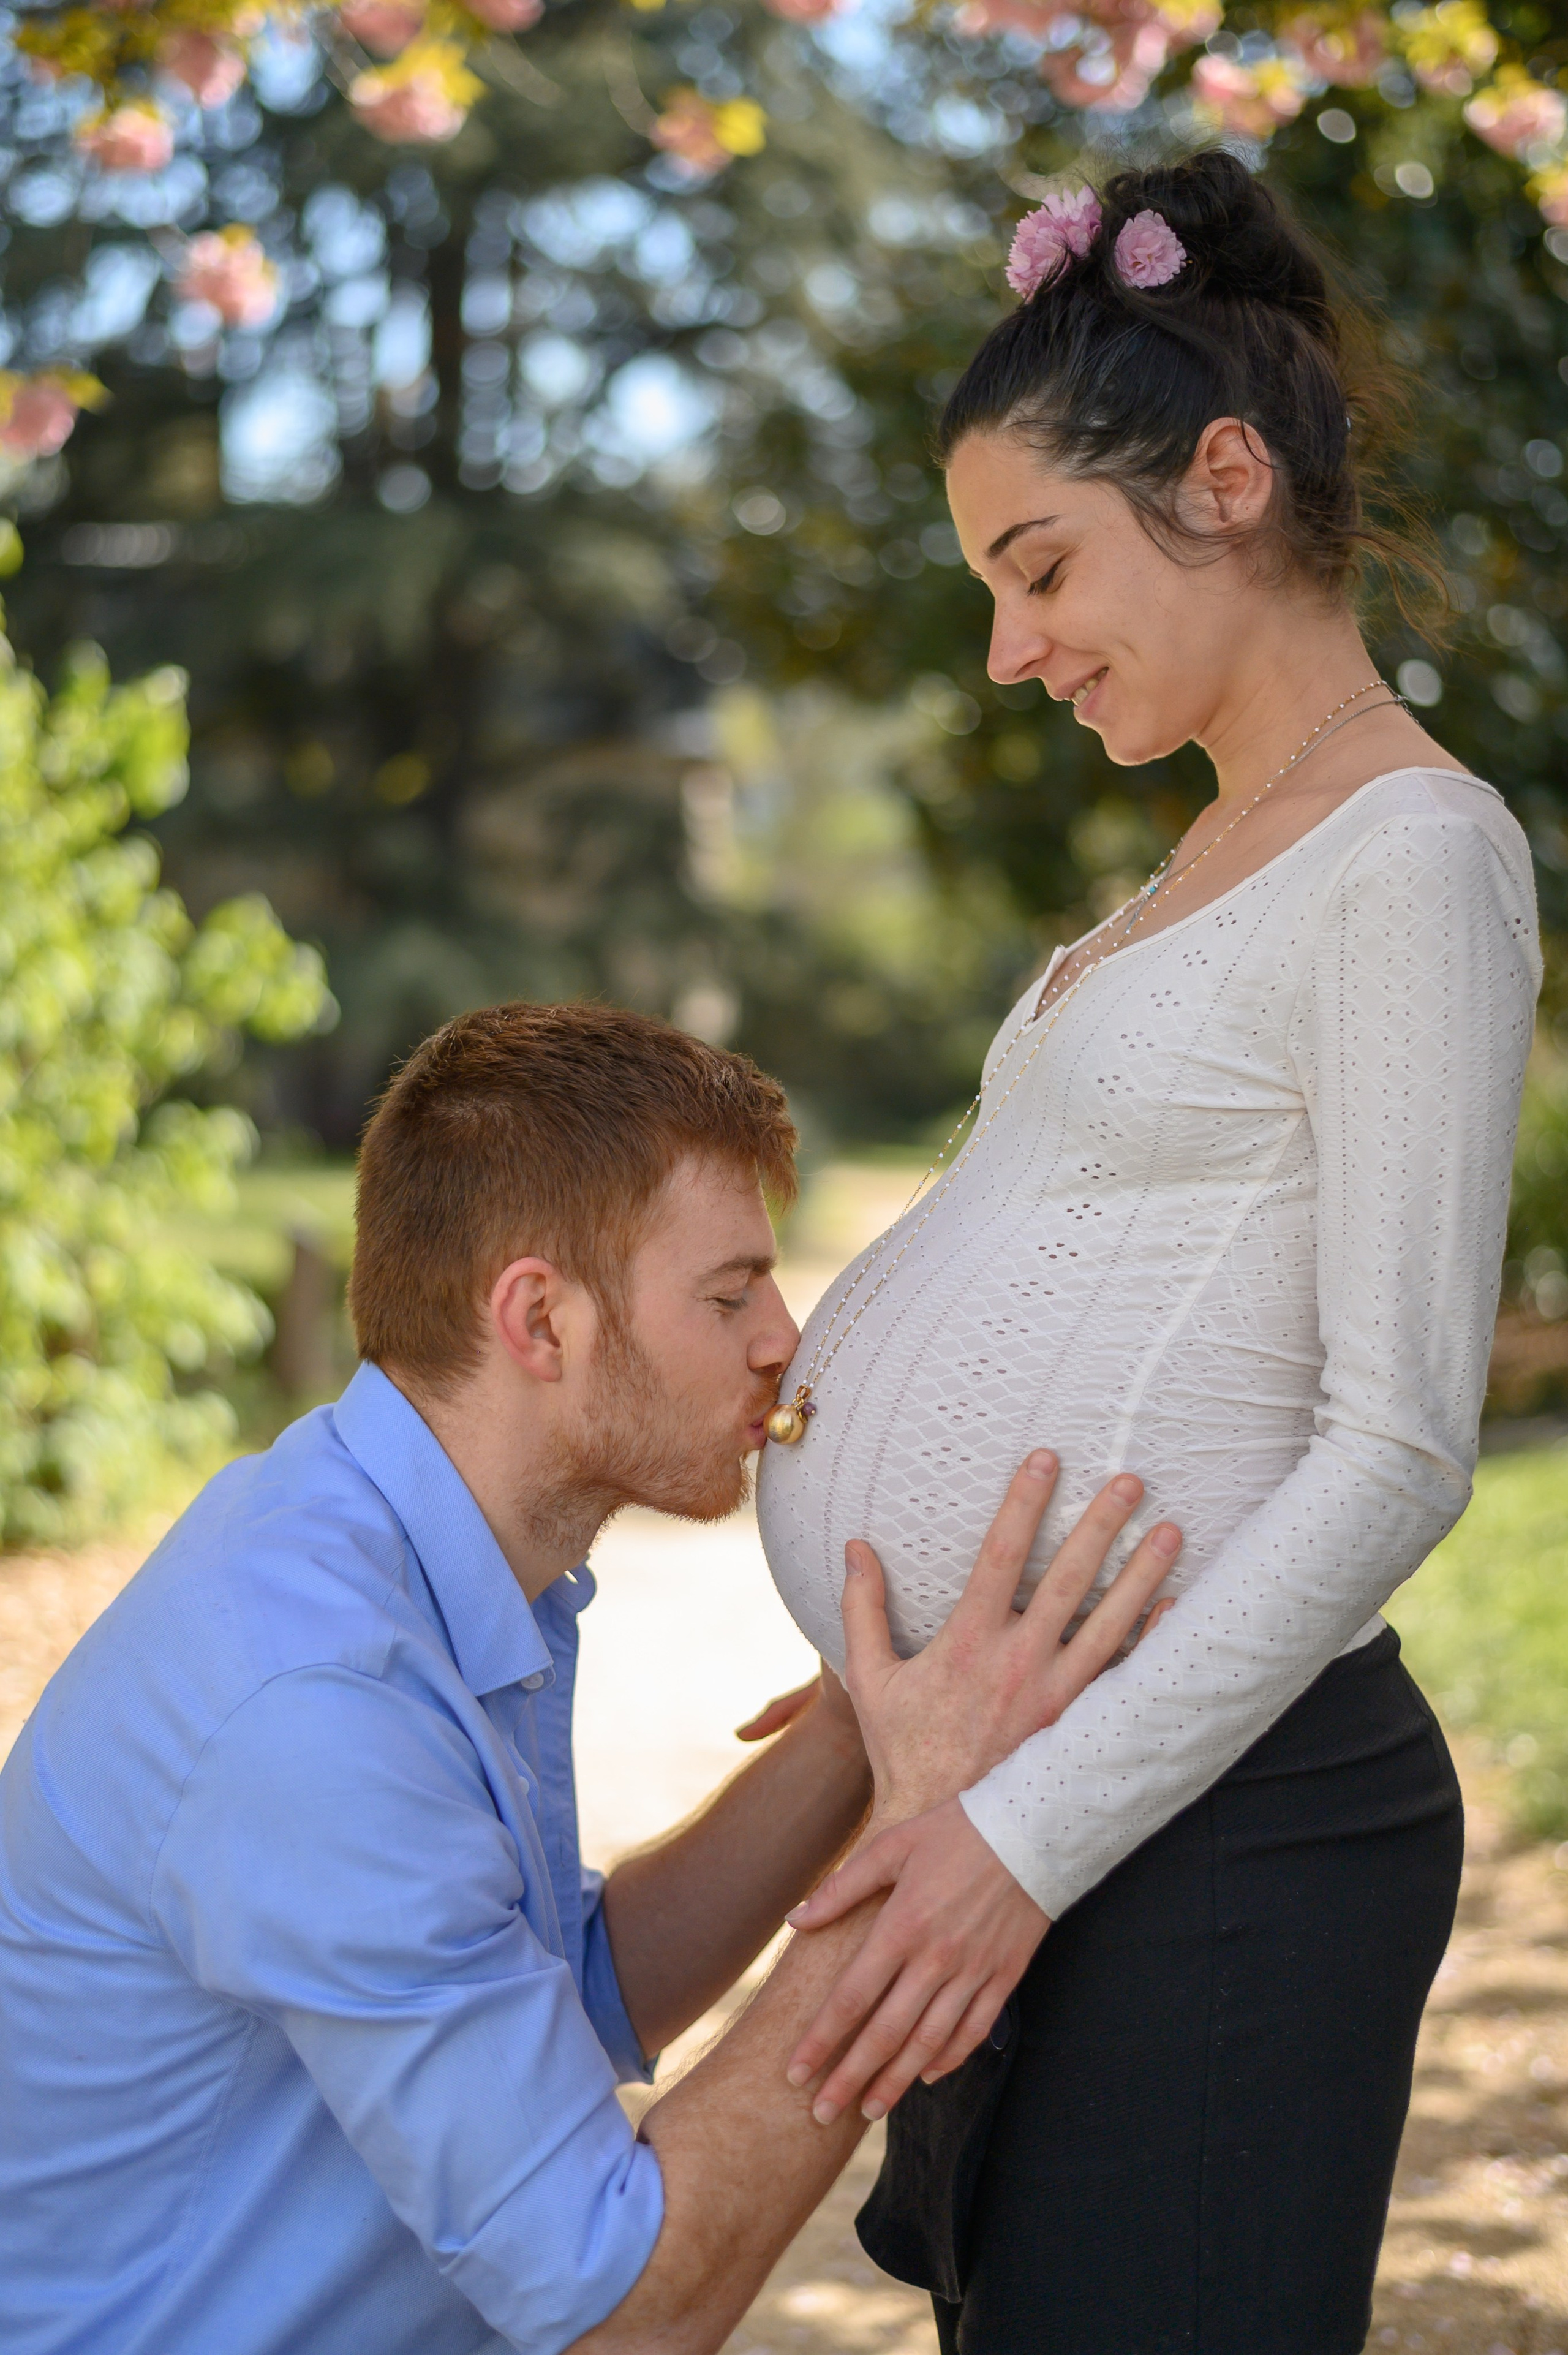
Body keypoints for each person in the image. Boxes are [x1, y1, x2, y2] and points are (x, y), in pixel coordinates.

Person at [756, 151, 1541, 2353]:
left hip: (1221, 1829)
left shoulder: (1415, 856)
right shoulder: (1199, 866)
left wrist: (1028, 1834)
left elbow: (1399, 1448)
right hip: (1050, 1784)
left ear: (1220, 479)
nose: (1007, 654)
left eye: (1037, 570)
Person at [0, 999, 1180, 2355]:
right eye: (729, 1291)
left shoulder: (388, 1546)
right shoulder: (312, 1702)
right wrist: (931, 1835)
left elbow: (570, 1995)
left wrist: (859, 1733)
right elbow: (618, 2307)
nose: (780, 1337)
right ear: (539, 1317)